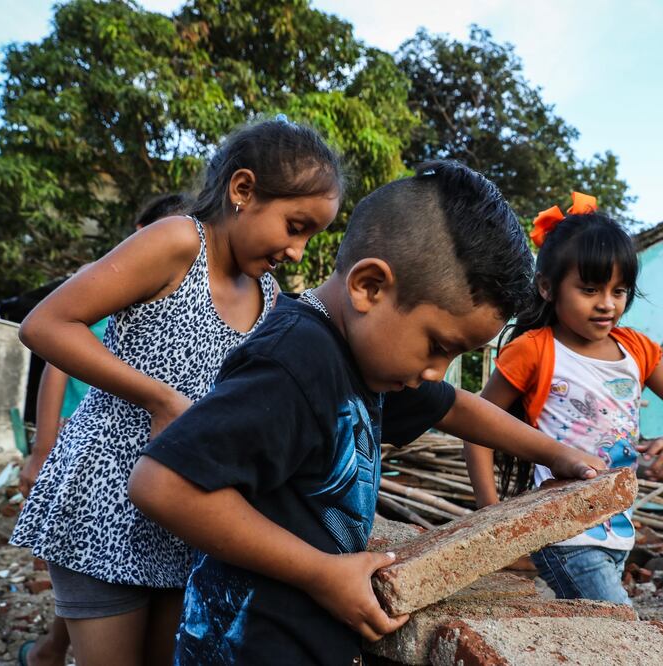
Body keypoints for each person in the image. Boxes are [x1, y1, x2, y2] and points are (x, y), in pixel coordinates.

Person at [127, 161, 607, 665]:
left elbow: (456, 407)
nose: (435, 372)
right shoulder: (296, 361)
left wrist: (556, 454)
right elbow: (162, 484)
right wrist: (320, 572)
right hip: (247, 646)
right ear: (370, 287)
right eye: (438, 346)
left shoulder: (367, 357)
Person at [10, 117, 343, 666]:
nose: (299, 251)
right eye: (294, 225)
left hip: (183, 517)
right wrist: (161, 400)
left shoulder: (268, 292)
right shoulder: (177, 241)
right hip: (104, 498)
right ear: (243, 190)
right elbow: (45, 326)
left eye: (311, 236)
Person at [462, 193, 663, 606]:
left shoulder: (637, 351)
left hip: (617, 529)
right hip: (561, 531)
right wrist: (492, 523)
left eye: (619, 290)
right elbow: (476, 426)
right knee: (622, 634)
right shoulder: (535, 350)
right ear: (546, 287)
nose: (607, 304)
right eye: (590, 288)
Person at [16, 192, 191, 666]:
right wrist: (42, 448)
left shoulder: (199, 287)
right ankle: (52, 649)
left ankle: (52, 649)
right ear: (143, 235)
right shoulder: (116, 279)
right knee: (86, 569)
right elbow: (55, 363)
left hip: (151, 451)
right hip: (93, 435)